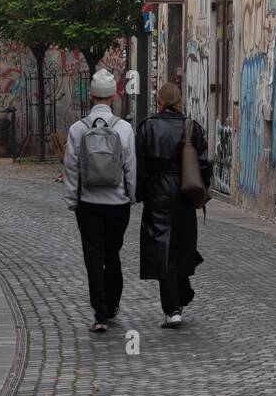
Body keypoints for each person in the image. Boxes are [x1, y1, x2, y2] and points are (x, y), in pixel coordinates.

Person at [63, 69, 136, 333]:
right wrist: (131, 194)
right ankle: (114, 302)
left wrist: (72, 198)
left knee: (93, 256)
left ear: (92, 96)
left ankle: (100, 312)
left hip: (88, 203)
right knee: (112, 253)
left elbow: (71, 167)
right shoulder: (125, 128)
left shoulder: (78, 129)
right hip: (118, 204)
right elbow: (130, 167)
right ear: (115, 96)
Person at [135, 83, 211, 328]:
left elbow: (139, 164)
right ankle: (181, 294)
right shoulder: (192, 128)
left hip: (157, 193)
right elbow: (203, 166)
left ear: (160, 100)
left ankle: (173, 308)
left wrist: (140, 192)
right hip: (184, 193)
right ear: (179, 100)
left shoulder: (147, 127)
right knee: (182, 245)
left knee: (162, 249)